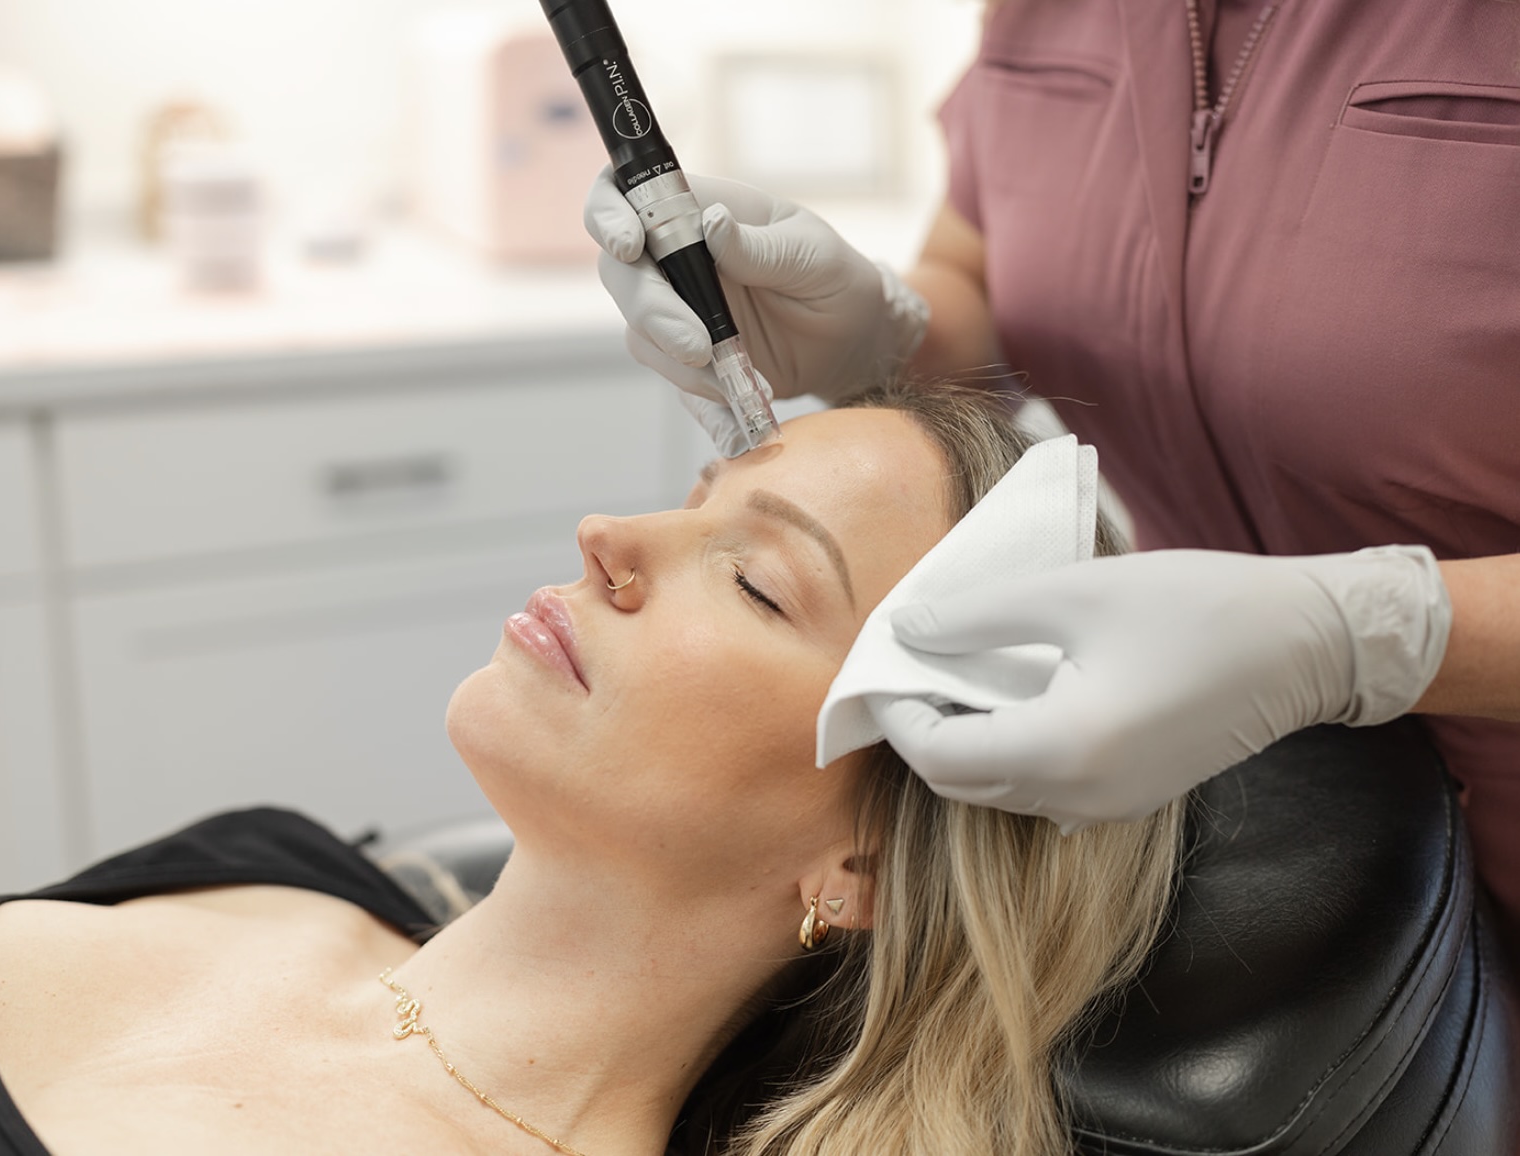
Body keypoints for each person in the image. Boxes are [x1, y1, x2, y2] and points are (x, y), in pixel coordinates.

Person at [0, 385, 1186, 1156]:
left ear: (862, 864)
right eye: (689, 499)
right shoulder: (269, 862)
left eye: (756, 581)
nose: (603, 534)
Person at [583, 0, 1520, 958]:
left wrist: (1367, 634)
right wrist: (890, 331)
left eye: (758, 585)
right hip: (1258, 839)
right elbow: (984, 268)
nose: (596, 531)